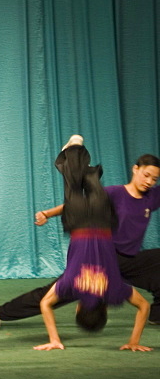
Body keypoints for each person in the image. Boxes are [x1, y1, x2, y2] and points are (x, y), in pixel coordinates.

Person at [0, 149, 160, 330]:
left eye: (154, 179)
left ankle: (157, 314)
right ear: (135, 169)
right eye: (146, 175)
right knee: (53, 294)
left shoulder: (151, 197)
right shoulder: (115, 193)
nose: (149, 182)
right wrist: (47, 214)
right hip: (99, 257)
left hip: (129, 260)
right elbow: (78, 206)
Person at [32, 135, 151, 351]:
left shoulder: (114, 291)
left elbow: (144, 307)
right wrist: (54, 339)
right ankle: (71, 155)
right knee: (73, 184)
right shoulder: (70, 287)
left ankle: (76, 156)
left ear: (105, 310)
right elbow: (45, 304)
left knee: (91, 181)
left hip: (102, 221)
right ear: (78, 309)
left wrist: (134, 341)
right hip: (78, 223)